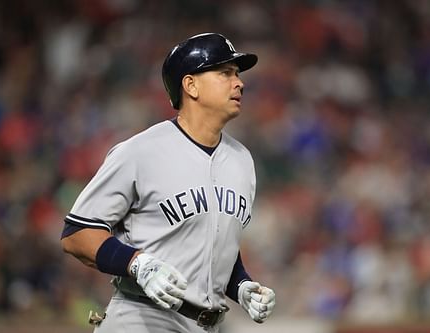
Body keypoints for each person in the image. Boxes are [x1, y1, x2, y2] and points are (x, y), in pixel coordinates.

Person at [60, 32, 276, 332]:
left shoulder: (242, 161)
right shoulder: (140, 151)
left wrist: (240, 285)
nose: (239, 82)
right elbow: (77, 232)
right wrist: (138, 264)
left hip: (207, 325)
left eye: (237, 74)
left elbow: (213, 243)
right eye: (225, 73)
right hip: (143, 318)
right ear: (191, 85)